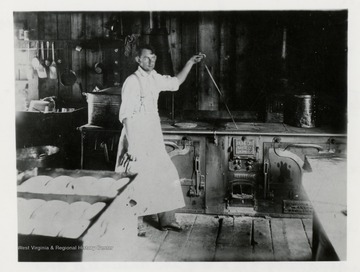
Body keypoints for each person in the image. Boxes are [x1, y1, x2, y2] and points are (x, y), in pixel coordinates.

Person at [115, 44, 204, 236]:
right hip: (135, 135)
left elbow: (176, 83)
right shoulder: (131, 81)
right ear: (138, 60)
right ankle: (133, 222)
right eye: (147, 58)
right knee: (134, 178)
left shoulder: (154, 78)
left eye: (153, 57)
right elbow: (126, 116)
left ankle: (167, 220)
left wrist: (190, 63)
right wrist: (131, 147)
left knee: (166, 173)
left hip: (152, 134)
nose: (151, 60)